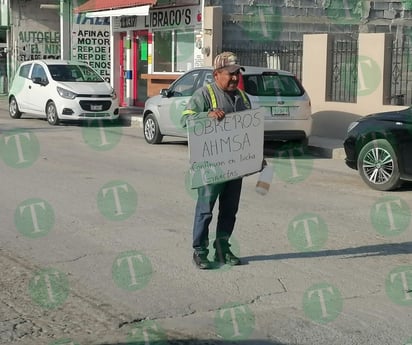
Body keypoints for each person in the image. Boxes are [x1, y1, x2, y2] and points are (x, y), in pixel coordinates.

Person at [181, 52, 252, 269]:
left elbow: (250, 130)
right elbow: (185, 119)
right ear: (216, 74)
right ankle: (200, 251)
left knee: (230, 210)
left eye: (237, 73)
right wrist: (206, 116)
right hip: (211, 167)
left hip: (235, 166)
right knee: (206, 209)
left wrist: (258, 157)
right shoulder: (204, 95)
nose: (234, 78)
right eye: (229, 74)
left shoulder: (243, 96)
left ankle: (222, 248)